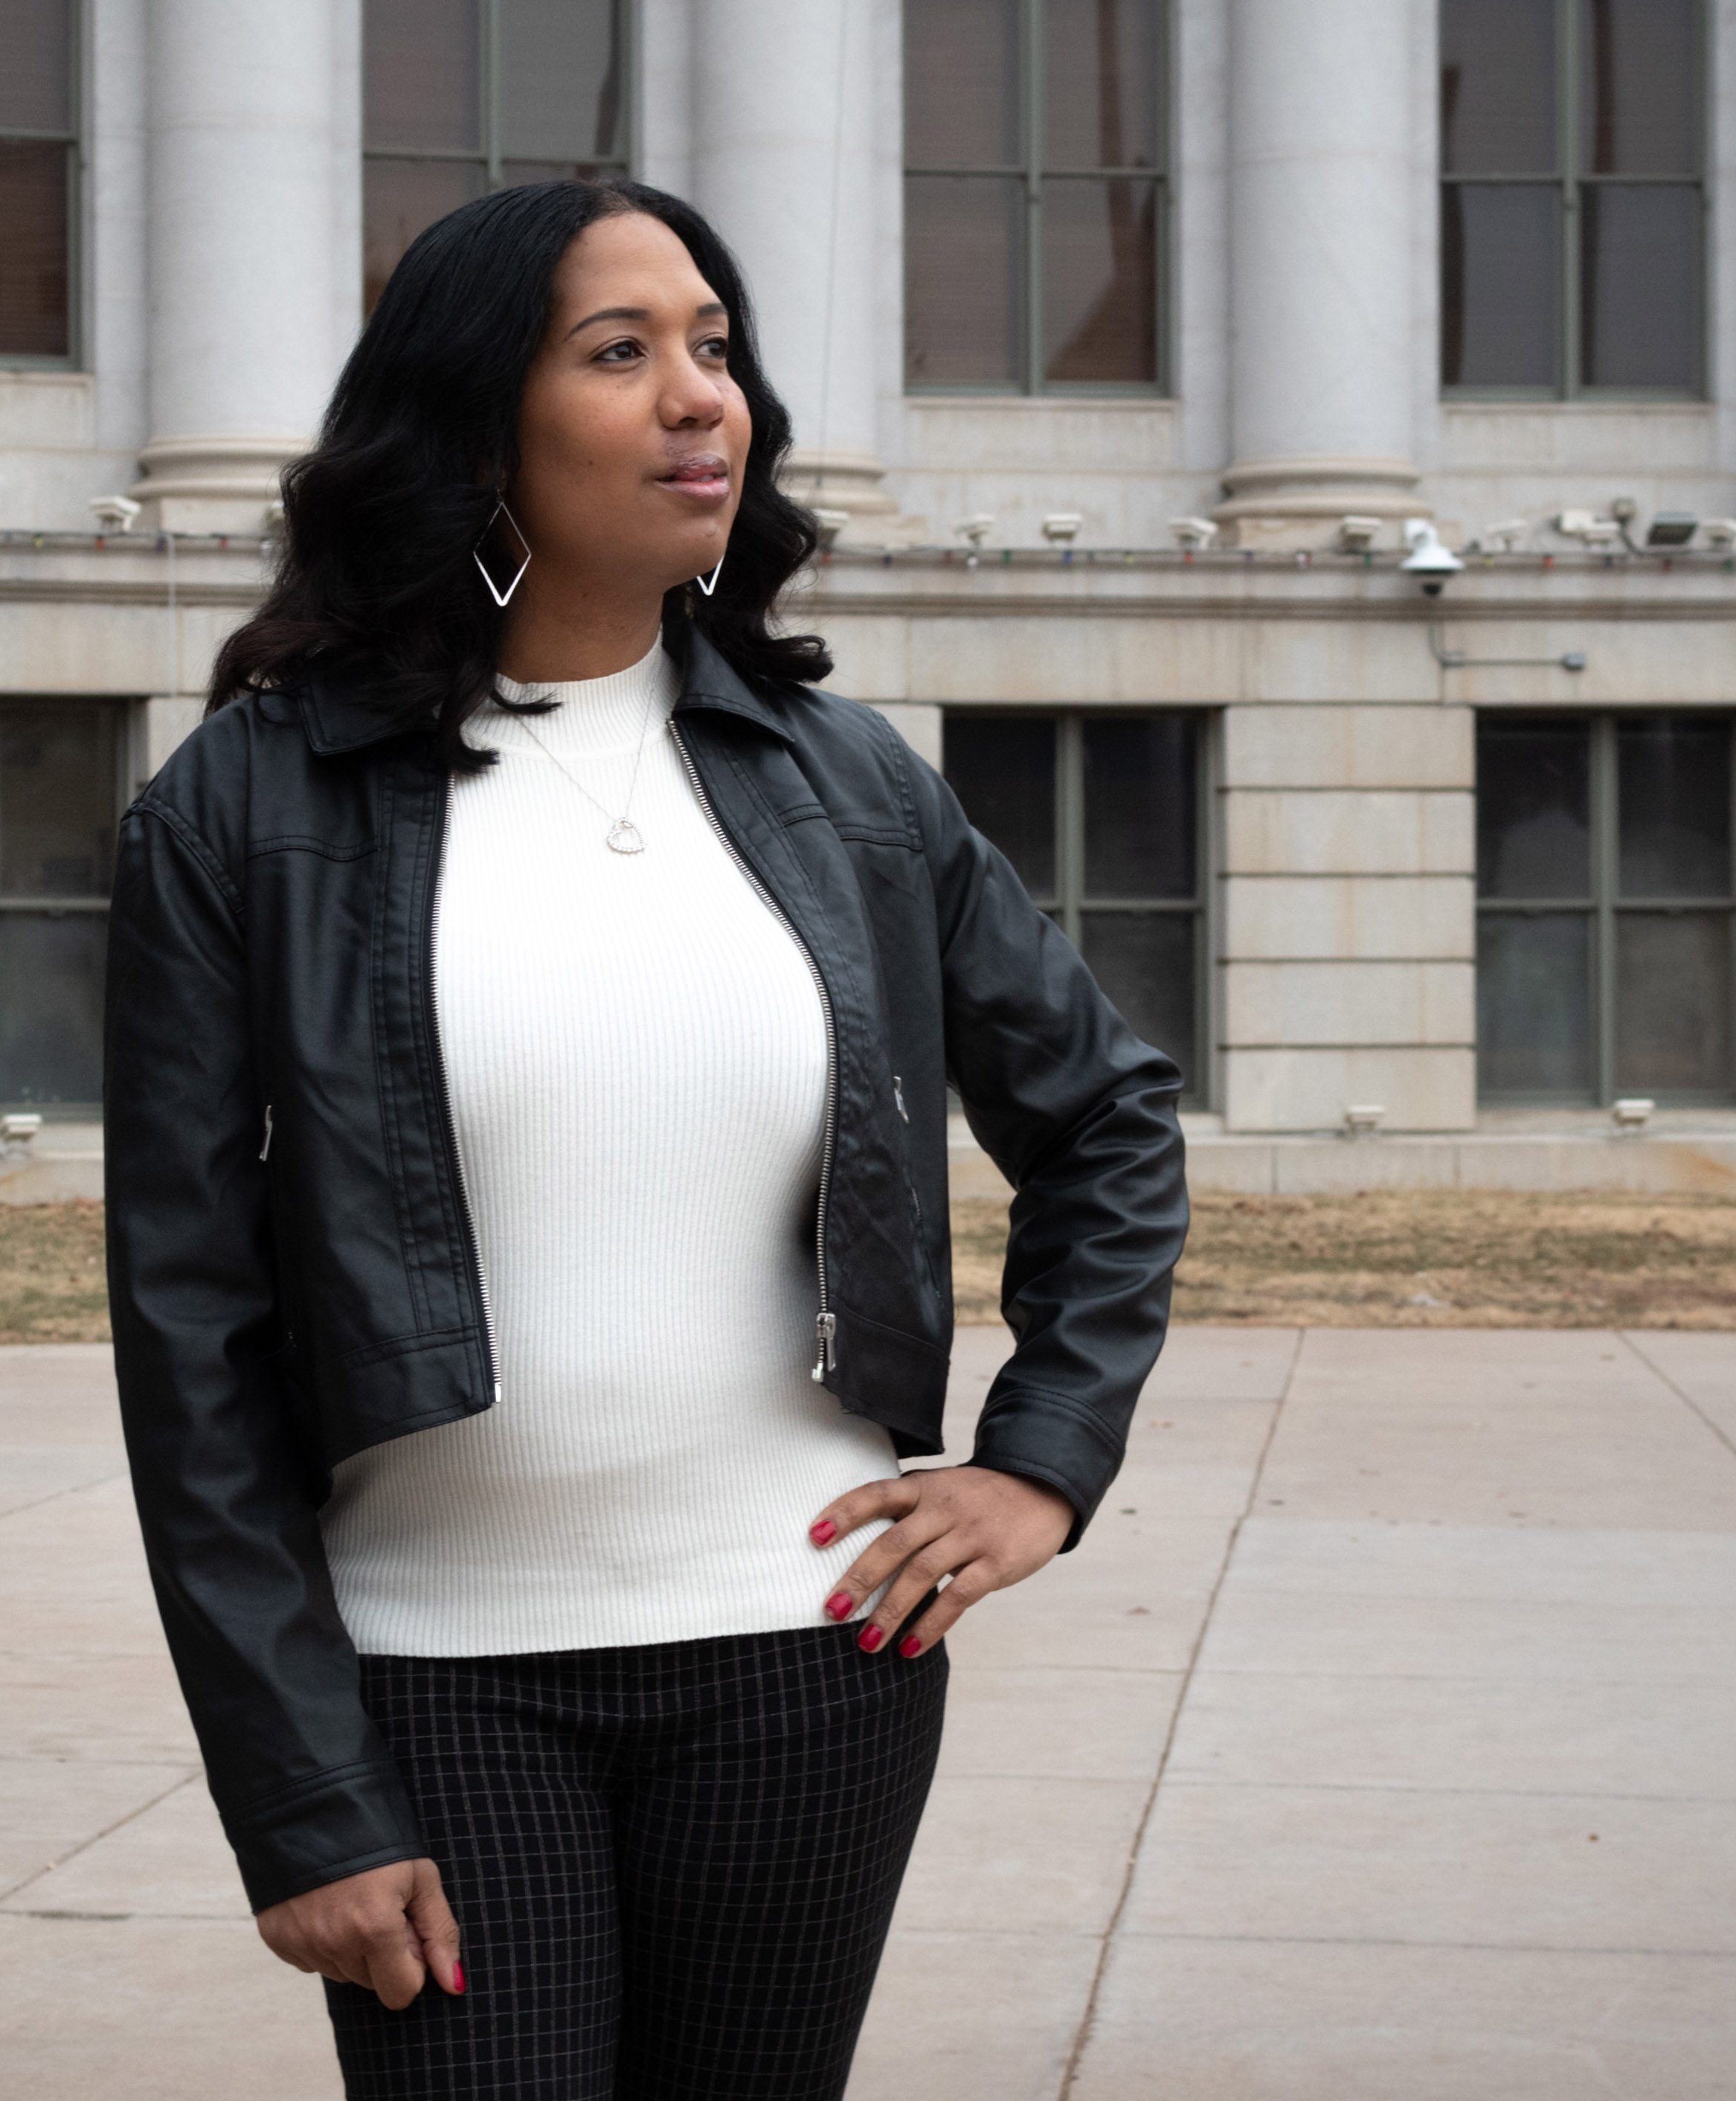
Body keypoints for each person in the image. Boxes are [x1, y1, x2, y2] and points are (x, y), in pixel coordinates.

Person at [103, 177, 1186, 2101]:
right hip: (433, 1689)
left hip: (808, 1665)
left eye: (714, 345)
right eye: (621, 352)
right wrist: (300, 1794)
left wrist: (1043, 1459)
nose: (703, 397)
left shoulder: (848, 786)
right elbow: (187, 1332)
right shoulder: (247, 807)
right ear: (474, 423)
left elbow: (1105, 1116)